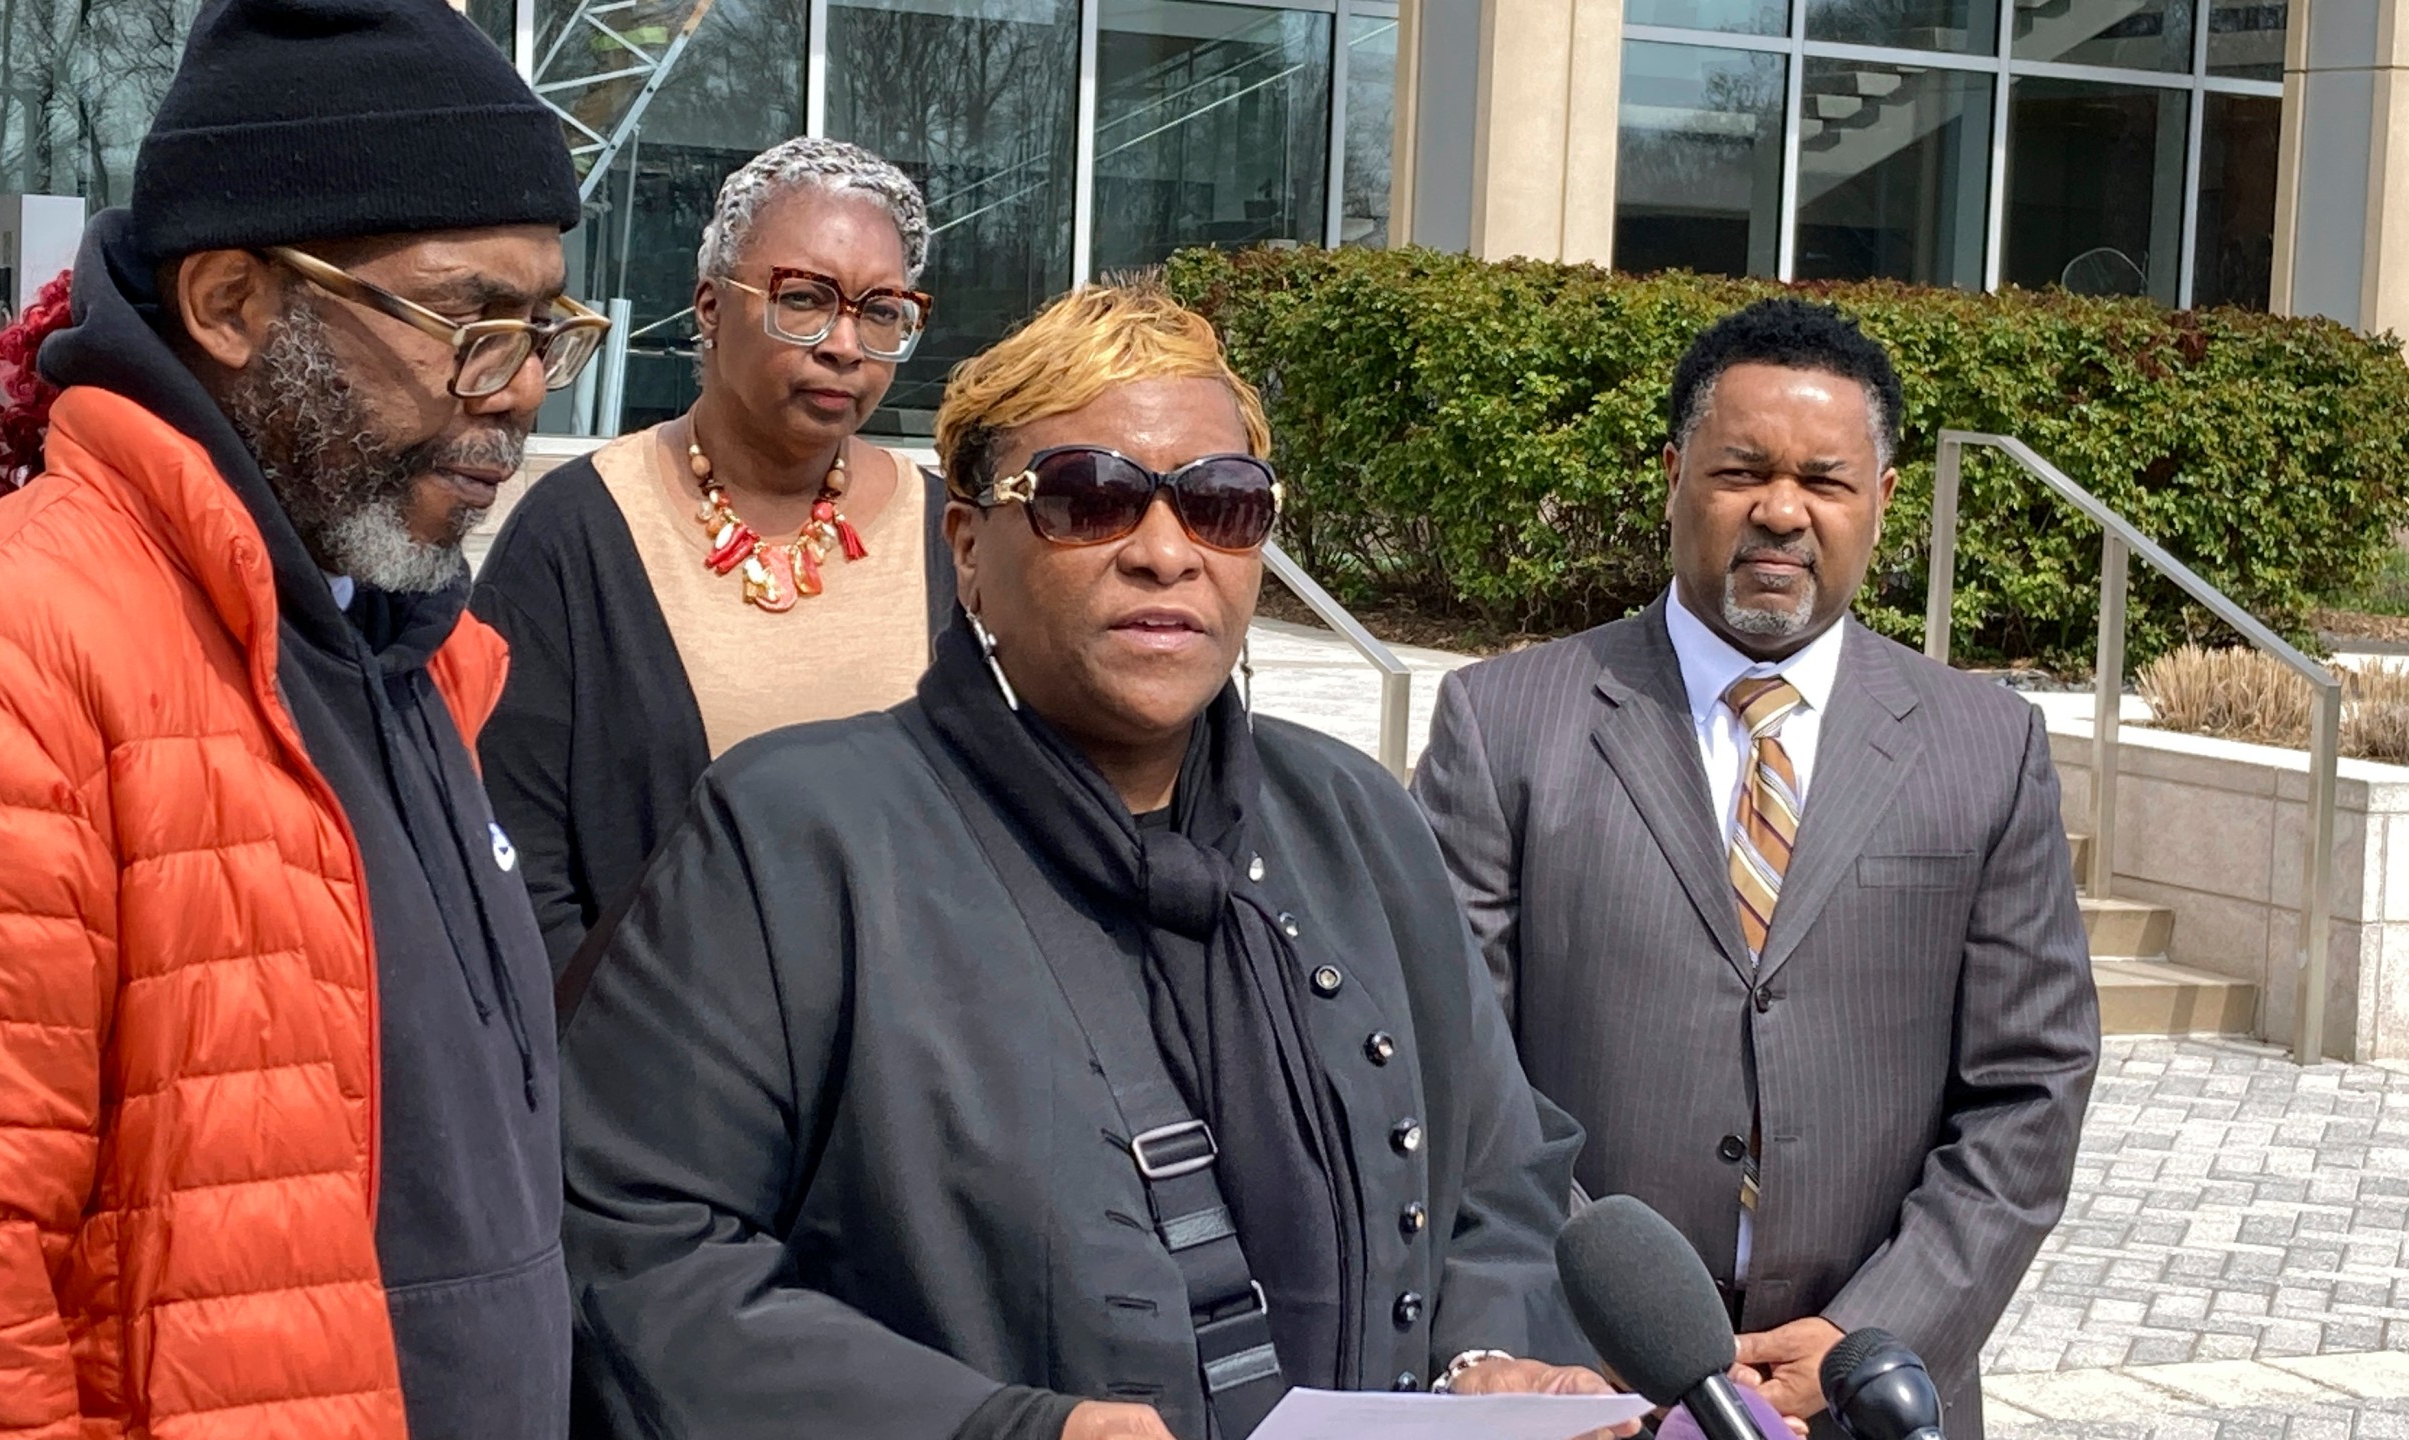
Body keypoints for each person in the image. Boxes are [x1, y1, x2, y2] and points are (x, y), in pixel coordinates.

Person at [559, 285, 1614, 1440]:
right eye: (1088, 499)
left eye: (1221, 507)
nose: (1165, 554)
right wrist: (998, 1428)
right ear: (966, 545)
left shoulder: (1355, 820)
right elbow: (638, 1251)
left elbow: (1502, 1178)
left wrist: (1488, 1356)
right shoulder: (796, 836)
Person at [0, 1, 598, 1433]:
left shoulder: (409, 644)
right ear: (235, 304)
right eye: (467, 323)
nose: (517, 394)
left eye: (544, 324)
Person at [1412, 298, 2101, 1440]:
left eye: (1824, 481)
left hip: (1864, 1391)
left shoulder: (1985, 743)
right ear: (1675, 475)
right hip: (1584, 1387)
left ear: (1881, 502)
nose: (1780, 512)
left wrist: (1879, 1330)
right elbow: (1453, 1068)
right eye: (1741, 472)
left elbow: (2031, 1083)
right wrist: (1602, 1324)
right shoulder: (1502, 722)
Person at [473, 135, 955, 979]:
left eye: (881, 311)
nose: (845, 344)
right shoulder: (578, 532)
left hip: (917, 1064)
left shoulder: (952, 537)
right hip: (652, 1067)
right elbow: (516, 864)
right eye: (804, 299)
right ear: (707, 307)